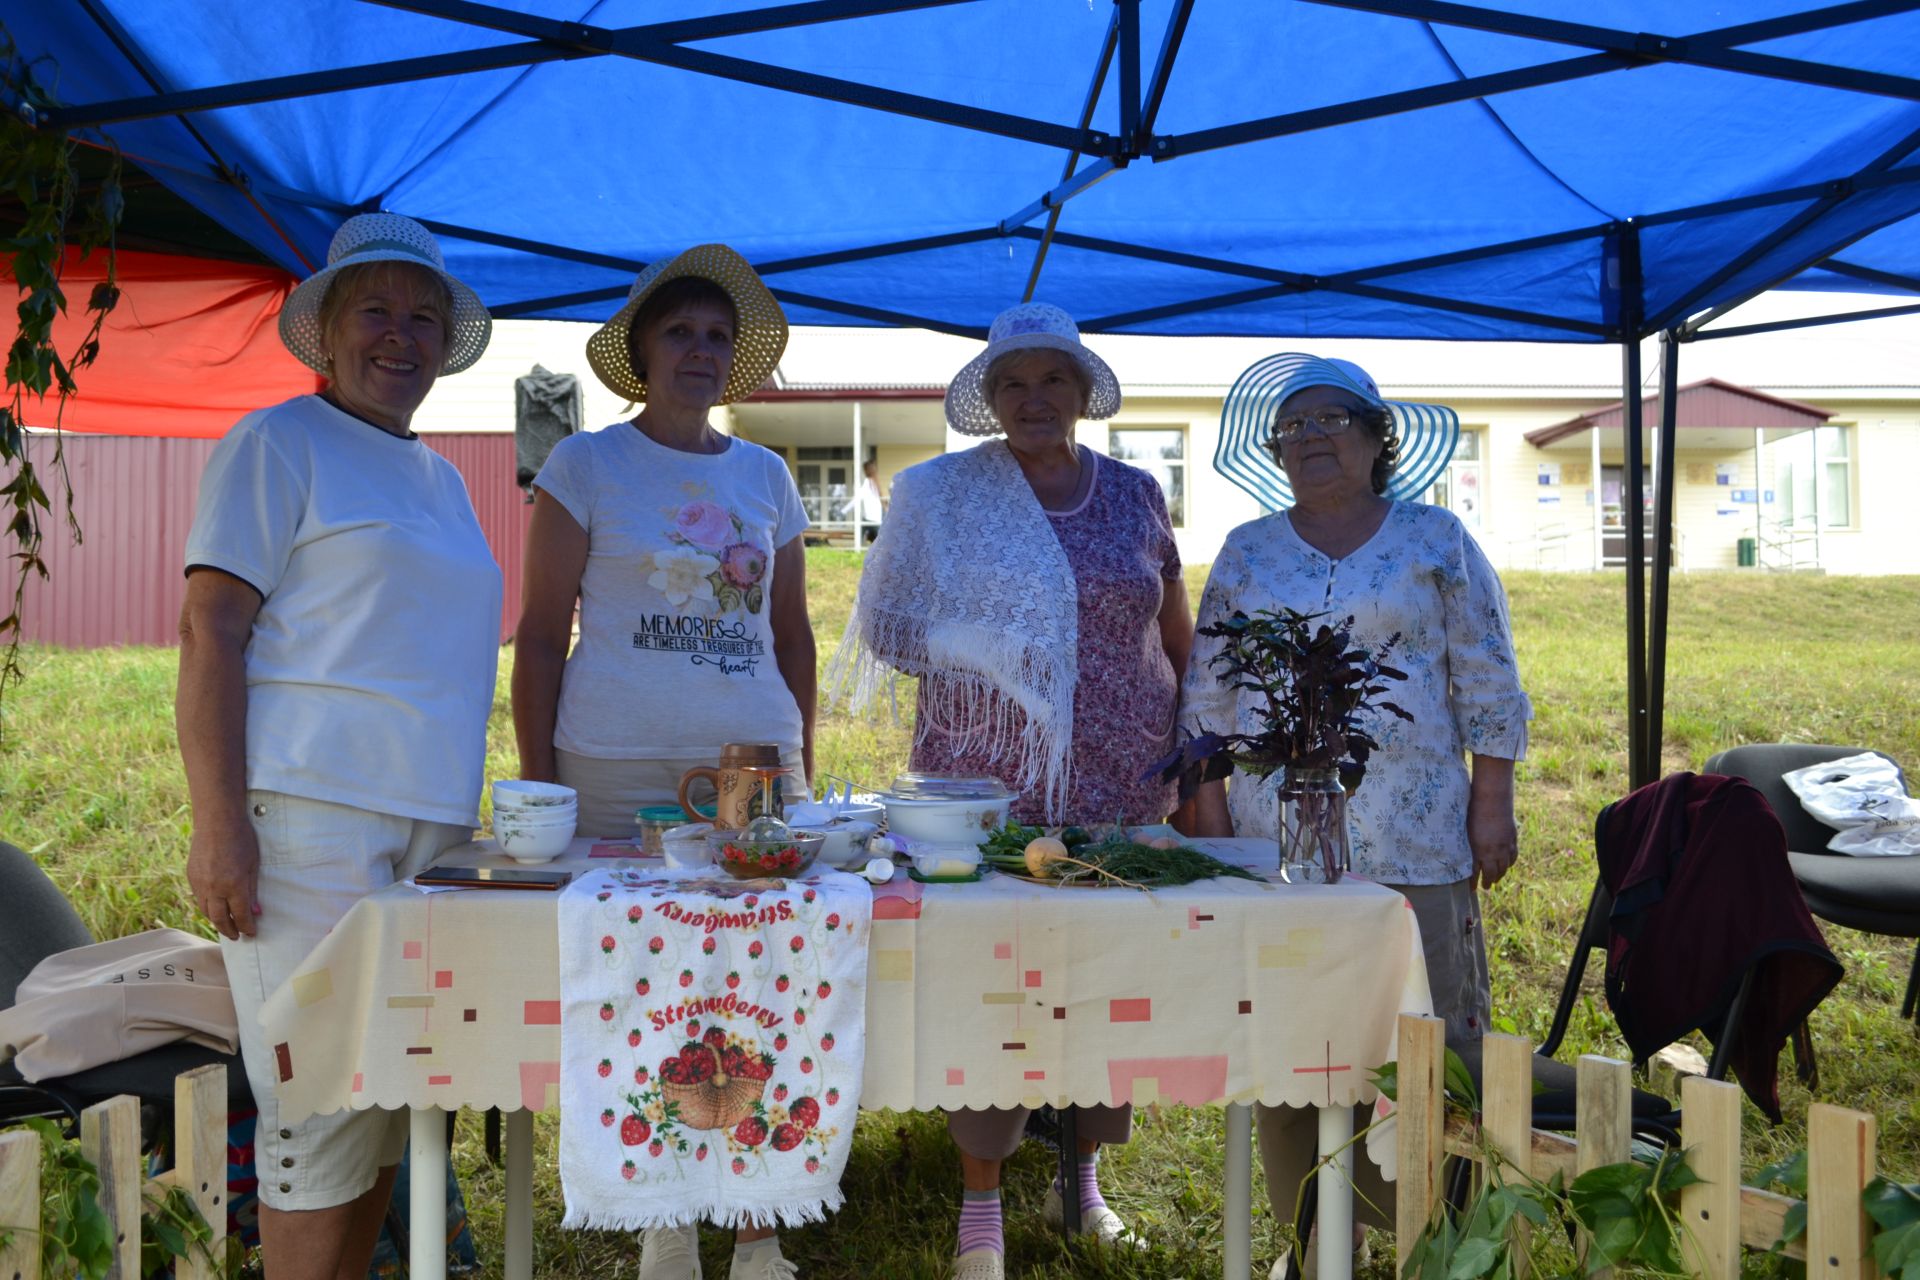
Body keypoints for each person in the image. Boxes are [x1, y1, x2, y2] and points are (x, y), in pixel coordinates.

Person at [831, 302, 1192, 1280]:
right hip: (985, 789)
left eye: (1053, 379)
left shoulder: (1134, 492)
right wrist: (978, 642)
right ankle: (981, 1202)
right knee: (999, 983)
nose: (1035, 398)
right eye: (1014, 383)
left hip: (1121, 784)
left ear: (1081, 392)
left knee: (1100, 982)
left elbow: (1175, 631)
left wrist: (1190, 757)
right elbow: (890, 628)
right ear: (990, 401)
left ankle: (1081, 1177)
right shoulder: (940, 494)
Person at [176, 213, 500, 1280]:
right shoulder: (278, 444)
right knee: (317, 1110)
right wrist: (219, 824)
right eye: (377, 310)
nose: (400, 335)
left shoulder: (443, 480)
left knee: (383, 1103)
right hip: (309, 817)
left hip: (432, 832)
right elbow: (209, 628)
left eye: (422, 316)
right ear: (325, 331)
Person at [1178, 354, 1531, 1275]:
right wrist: (1216, 835)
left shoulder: (1435, 539)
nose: (1312, 438)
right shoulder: (1251, 550)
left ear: (1380, 439)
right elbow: (1206, 698)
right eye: (1292, 428)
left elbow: (1489, 680)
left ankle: (1435, 1226)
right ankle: (1307, 1233)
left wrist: (1492, 805)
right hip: (1277, 839)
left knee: (1429, 1030)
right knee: (1293, 1032)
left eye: (1334, 420)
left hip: (1419, 834)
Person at [512, 244, 811, 1280]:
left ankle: (760, 1221)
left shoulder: (767, 474)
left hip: (752, 772)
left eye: (718, 336)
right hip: (613, 764)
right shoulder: (585, 464)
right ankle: (664, 1208)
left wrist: (793, 756)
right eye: (679, 331)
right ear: (640, 351)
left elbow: (794, 633)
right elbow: (542, 630)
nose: (700, 349)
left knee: (762, 972)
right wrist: (539, 779)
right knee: (644, 975)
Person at [855, 459, 886, 543]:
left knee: (861, 534)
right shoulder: (875, 482)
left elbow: (858, 497)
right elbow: (882, 499)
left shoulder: (868, 482)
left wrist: (844, 510)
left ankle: (859, 546)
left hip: (870, 517)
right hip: (875, 518)